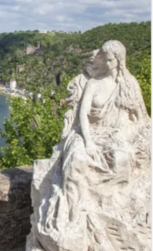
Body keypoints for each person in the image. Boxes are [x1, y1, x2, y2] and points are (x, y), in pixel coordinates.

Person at [28, 41, 151, 251]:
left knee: (122, 160)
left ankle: (111, 207)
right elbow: (82, 115)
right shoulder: (94, 83)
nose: (107, 63)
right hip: (85, 133)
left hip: (113, 135)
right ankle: (73, 215)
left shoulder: (129, 85)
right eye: (104, 59)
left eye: (111, 59)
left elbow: (142, 118)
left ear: (120, 60)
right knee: (77, 161)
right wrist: (89, 141)